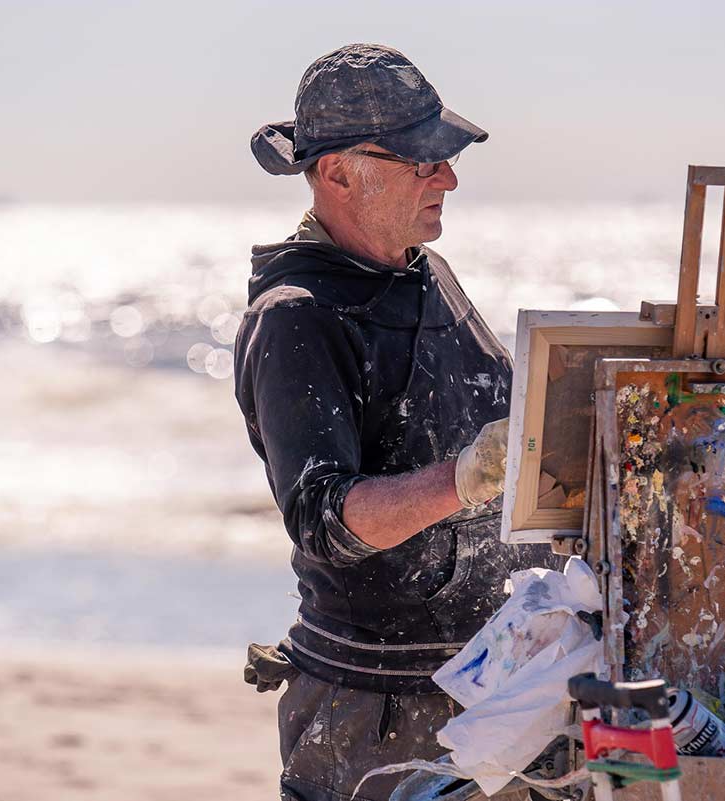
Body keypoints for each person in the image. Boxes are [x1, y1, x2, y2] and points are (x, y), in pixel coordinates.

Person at [235, 43, 555, 801]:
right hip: (376, 714)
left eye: (442, 155)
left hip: (503, 688)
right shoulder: (297, 318)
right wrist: (465, 478)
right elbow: (323, 519)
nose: (447, 175)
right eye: (421, 159)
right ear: (338, 172)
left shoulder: (426, 270)